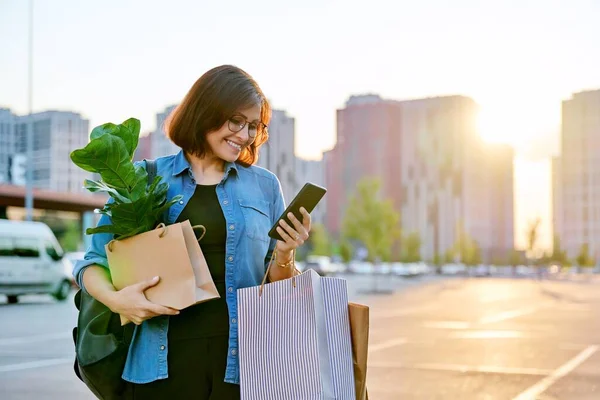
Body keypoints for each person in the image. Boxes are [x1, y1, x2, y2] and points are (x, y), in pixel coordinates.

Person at [73, 65, 312, 399]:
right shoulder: (144, 177)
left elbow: (277, 288)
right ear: (205, 112)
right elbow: (92, 263)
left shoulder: (265, 186)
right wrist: (117, 301)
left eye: (254, 126)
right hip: (160, 367)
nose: (244, 135)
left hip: (243, 368)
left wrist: (285, 254)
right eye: (236, 121)